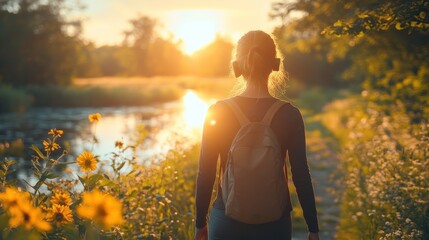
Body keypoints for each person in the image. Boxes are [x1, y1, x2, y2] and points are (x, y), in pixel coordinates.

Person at [195, 30, 320, 240]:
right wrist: (313, 228)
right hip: (275, 223)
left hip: (226, 219)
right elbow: (301, 175)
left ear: (237, 66)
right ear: (275, 64)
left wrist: (200, 224)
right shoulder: (290, 114)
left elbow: (205, 173)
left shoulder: (217, 111)